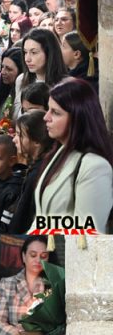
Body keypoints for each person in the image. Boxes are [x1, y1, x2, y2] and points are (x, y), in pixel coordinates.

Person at [32, 78, 113, 233]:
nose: (46, 117)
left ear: (78, 117)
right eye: (48, 109)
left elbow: (88, 231)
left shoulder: (95, 166)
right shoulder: (59, 151)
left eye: (55, 112)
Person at [0, 236, 50, 335]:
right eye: (33, 255)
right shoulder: (7, 284)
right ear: (23, 256)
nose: (38, 260)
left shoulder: (53, 285)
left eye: (43, 256)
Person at [8, 110, 55, 232]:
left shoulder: (37, 174)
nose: (14, 140)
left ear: (37, 141)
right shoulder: (44, 164)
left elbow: (22, 218)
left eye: (20, 135)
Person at [13, 28, 67, 119]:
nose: (27, 59)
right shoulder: (21, 80)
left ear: (49, 52)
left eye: (34, 52)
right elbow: (16, 117)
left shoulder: (66, 84)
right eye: (25, 52)